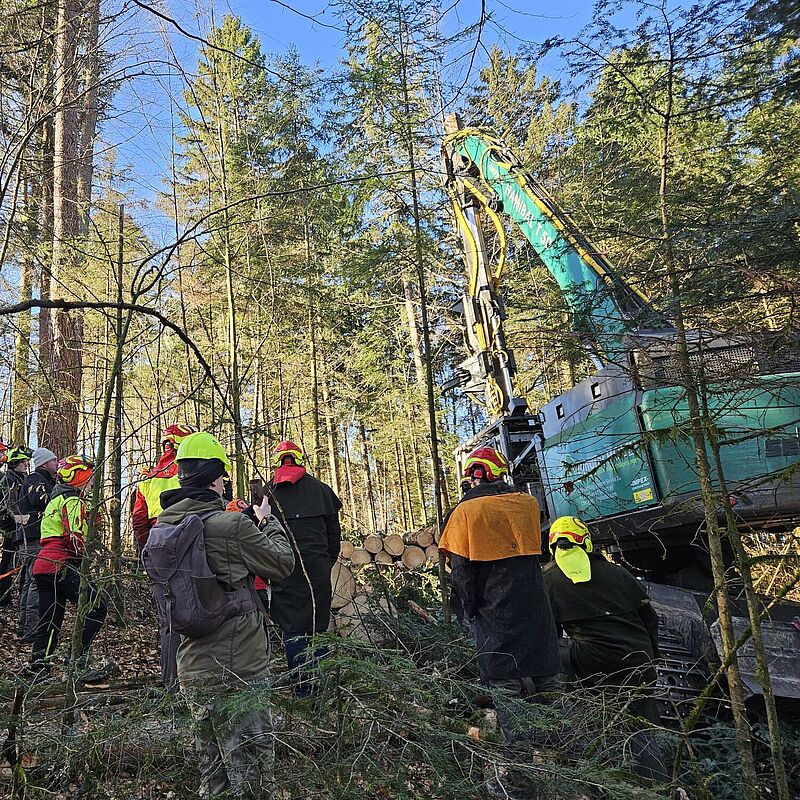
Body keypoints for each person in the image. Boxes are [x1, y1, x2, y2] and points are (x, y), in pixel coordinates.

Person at [157, 431, 294, 799]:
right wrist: (267, 521)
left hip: (191, 665)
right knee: (251, 772)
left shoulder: (164, 527)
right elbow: (281, 563)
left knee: (213, 772)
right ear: (216, 477)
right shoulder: (231, 525)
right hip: (240, 666)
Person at [438, 447, 561, 749]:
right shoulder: (527, 504)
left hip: (494, 609)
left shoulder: (465, 513)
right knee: (547, 679)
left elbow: (461, 572)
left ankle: (521, 766)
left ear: (472, 476)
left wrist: (469, 609)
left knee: (505, 684)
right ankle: (561, 752)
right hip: (534, 605)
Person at [542, 515, 666, 782]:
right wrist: (652, 657)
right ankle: (656, 785)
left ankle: (580, 758)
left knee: (546, 667)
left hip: (593, 662)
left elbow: (547, 635)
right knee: (640, 727)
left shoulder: (549, 579)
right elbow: (650, 619)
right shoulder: (618, 572)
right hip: (639, 659)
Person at [266, 440, 341, 696]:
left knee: (293, 628)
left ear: (277, 461)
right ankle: (318, 687)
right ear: (299, 459)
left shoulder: (267, 494)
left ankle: (302, 689)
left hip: (284, 571)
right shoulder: (321, 490)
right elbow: (334, 539)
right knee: (317, 626)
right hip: (317, 569)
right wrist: (322, 563)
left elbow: (259, 536)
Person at [29, 456, 108, 680]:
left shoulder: (55, 500)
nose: (92, 482)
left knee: (50, 620)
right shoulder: (72, 500)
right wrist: (87, 554)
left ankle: (39, 668)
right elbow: (75, 536)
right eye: (90, 478)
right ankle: (75, 661)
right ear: (79, 477)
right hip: (60, 564)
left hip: (43, 566)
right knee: (97, 608)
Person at [132, 423, 195, 551]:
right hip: (188, 540)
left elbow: (139, 521)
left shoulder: (147, 480)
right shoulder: (193, 473)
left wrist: (147, 547)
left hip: (156, 541)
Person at [16, 447, 58, 640]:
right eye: (54, 461)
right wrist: (58, 493)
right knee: (34, 582)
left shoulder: (43, 480)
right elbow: (39, 500)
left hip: (30, 537)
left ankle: (24, 625)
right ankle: (31, 629)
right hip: (33, 538)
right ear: (44, 463)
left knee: (29, 582)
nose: (57, 464)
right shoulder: (35, 479)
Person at [0, 447, 31, 607]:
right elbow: (10, 503)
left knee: (23, 561)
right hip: (10, 527)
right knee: (8, 561)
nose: (26, 464)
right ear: (14, 463)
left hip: (21, 526)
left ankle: (20, 597)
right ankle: (3, 597)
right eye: (23, 461)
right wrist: (20, 518)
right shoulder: (9, 479)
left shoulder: (23, 478)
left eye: (26, 461)